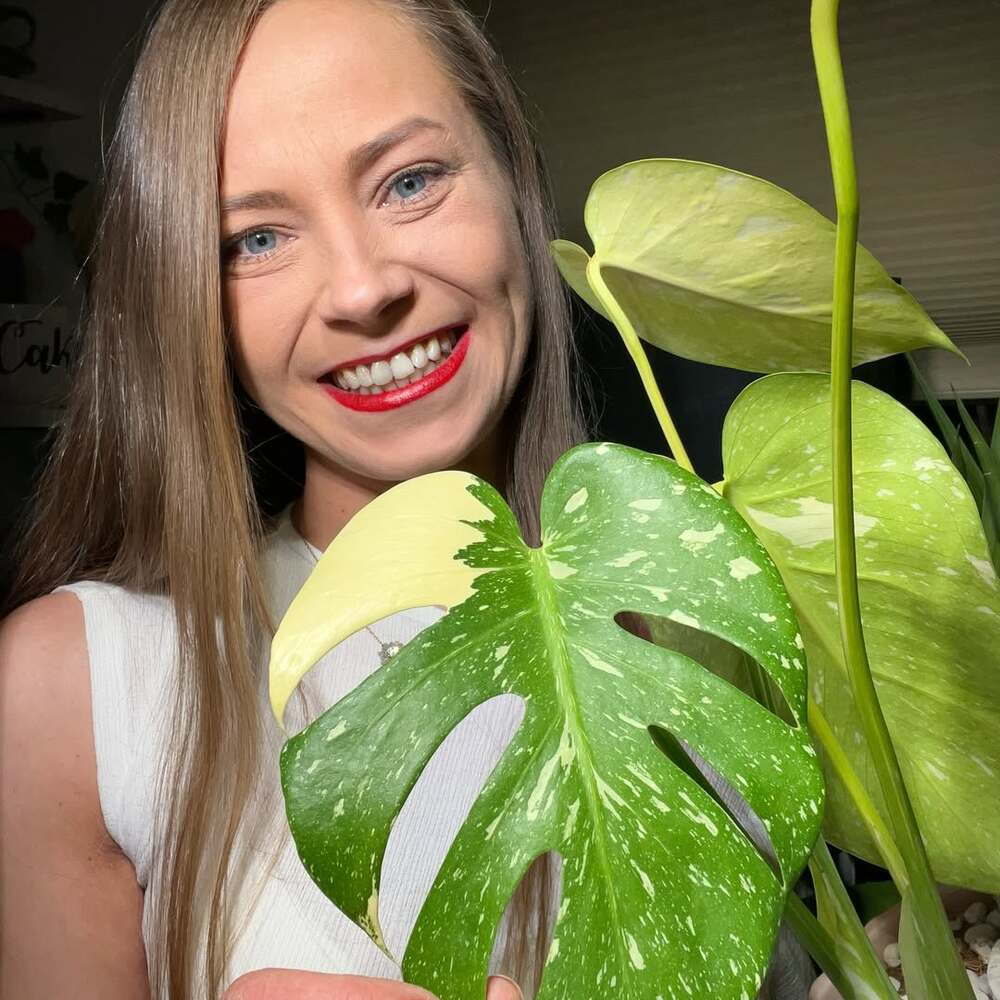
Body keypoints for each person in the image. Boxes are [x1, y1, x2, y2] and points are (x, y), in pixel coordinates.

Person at [0, 1, 814, 998]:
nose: (361, 288)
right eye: (254, 239)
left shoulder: (704, 602)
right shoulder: (81, 683)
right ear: (188, 297)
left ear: (514, 181)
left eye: (411, 181)